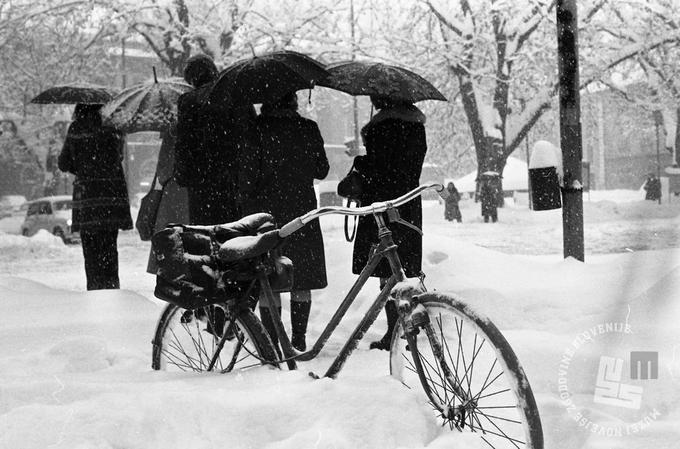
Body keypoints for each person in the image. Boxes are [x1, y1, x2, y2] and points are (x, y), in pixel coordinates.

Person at [239, 91, 329, 352]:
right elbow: (321, 170)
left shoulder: (255, 130)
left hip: (266, 212)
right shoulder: (308, 129)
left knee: (271, 278)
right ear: (293, 101)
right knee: (301, 276)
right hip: (301, 210)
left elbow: (247, 176)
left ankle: (272, 343)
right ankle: (299, 338)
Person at [350, 95, 428, 351]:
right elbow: (405, 167)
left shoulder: (381, 128)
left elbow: (379, 168)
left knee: (387, 271)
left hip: (383, 205)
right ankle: (408, 329)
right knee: (403, 269)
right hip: (408, 204)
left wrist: (360, 162)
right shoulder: (416, 127)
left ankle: (395, 330)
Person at [174, 53, 255, 225]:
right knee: (234, 228)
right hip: (233, 175)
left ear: (191, 77)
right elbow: (251, 132)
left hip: (201, 178)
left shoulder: (188, 101)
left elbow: (184, 142)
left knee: (204, 230)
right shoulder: (237, 96)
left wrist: (182, 173)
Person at [58, 104, 132, 290]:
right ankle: (112, 289)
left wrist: (82, 168)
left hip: (88, 199)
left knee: (91, 252)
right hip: (111, 197)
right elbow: (118, 158)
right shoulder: (114, 128)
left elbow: (63, 163)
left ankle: (95, 291)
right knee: (109, 249)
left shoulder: (76, 129)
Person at [146, 125, 190, 274]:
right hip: (198, 193)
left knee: (171, 242)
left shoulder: (172, 130)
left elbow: (163, 171)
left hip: (174, 194)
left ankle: (173, 274)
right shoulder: (206, 125)